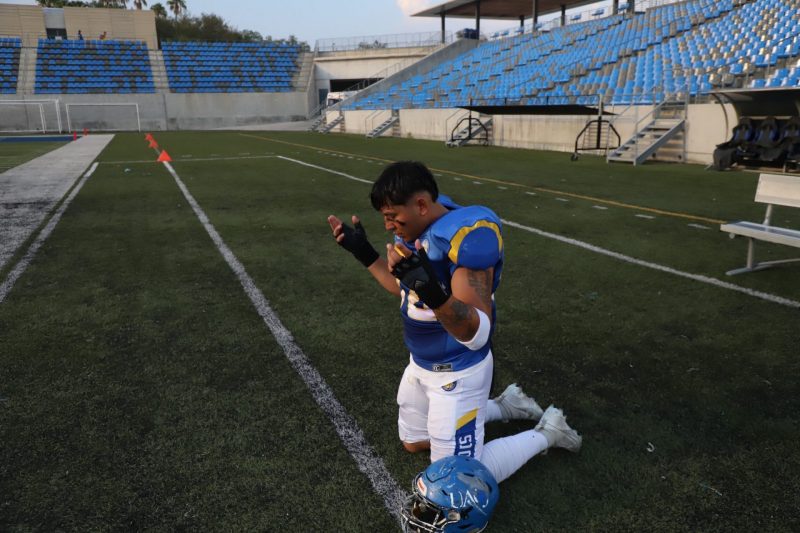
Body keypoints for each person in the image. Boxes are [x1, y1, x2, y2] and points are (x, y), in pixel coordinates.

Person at [327, 161, 581, 490]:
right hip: (421, 363)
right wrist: (363, 252)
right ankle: (506, 406)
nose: (389, 226)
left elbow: (477, 335)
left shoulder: (466, 238)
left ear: (421, 204)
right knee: (413, 442)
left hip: (458, 370)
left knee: (456, 479)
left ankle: (548, 432)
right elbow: (404, 290)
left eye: (392, 217)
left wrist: (430, 290)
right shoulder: (419, 228)